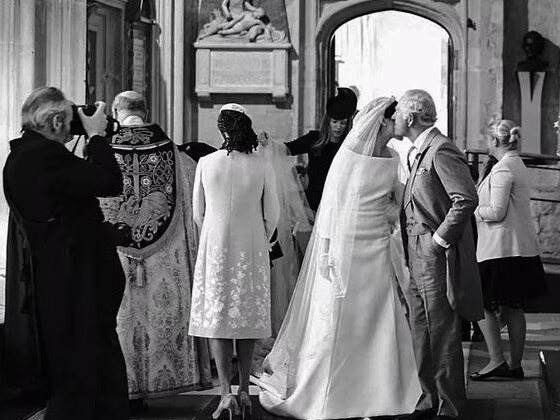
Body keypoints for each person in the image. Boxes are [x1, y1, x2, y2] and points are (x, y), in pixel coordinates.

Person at [256, 97, 421, 419]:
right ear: (384, 121)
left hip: (379, 244)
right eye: (398, 117)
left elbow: (399, 199)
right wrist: (328, 250)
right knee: (345, 316)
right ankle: (335, 387)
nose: (403, 121)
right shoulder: (350, 155)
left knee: (380, 315)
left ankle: (383, 387)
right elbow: (333, 204)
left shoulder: (393, 155)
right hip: (348, 246)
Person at [2, 87, 128, 419]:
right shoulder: (47, 158)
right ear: (57, 120)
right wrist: (97, 137)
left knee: (73, 365)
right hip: (80, 277)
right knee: (93, 364)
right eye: (70, 121)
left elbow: (69, 203)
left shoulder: (19, 157)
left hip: (55, 276)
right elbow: (110, 181)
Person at [99, 91, 212, 409]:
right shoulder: (177, 157)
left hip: (116, 252)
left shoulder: (102, 150)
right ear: (145, 112)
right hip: (164, 253)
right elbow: (194, 202)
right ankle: (157, 386)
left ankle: (122, 388)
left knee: (120, 316)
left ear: (118, 112)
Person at [395, 89, 483, 420]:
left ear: (410, 118)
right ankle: (428, 399)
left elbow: (466, 198)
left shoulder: (441, 149)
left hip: (432, 251)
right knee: (420, 326)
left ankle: (452, 407)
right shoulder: (420, 150)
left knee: (442, 329)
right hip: (413, 249)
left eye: (397, 115)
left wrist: (439, 241)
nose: (394, 121)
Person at [188, 103, 280, 420]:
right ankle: (244, 391)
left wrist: (214, 232)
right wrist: (261, 237)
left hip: (215, 245)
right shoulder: (261, 164)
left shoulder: (205, 162)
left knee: (218, 318)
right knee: (248, 316)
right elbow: (273, 212)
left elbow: (197, 213)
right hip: (251, 244)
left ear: (223, 130)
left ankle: (224, 393)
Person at [469, 120, 547, 381]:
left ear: (494, 141)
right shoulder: (518, 164)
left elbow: (496, 212)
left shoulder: (503, 169)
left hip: (500, 250)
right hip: (519, 248)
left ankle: (496, 360)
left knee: (480, 306)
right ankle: (514, 364)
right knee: (513, 308)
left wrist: (472, 209)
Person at [285, 87, 357, 212]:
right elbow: (287, 148)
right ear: (328, 122)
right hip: (313, 206)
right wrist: (266, 140)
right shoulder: (314, 139)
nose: (338, 127)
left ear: (348, 124)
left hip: (339, 206)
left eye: (343, 123)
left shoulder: (351, 146)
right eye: (334, 122)